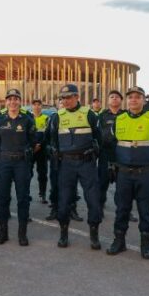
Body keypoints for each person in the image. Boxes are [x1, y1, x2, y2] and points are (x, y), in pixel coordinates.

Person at [106, 86, 149, 259]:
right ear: (127, 100)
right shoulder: (119, 119)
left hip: (146, 173)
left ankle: (145, 244)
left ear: (143, 100)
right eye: (130, 97)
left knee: (145, 210)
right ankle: (119, 241)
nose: (133, 100)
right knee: (122, 209)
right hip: (124, 173)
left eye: (137, 97)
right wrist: (113, 165)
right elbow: (110, 144)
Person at [48, 84, 103, 249]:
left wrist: (94, 153)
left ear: (77, 97)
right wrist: (55, 155)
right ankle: (63, 234)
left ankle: (94, 234)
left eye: (69, 97)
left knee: (93, 199)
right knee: (64, 200)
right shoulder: (57, 116)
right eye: (63, 98)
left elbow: (99, 138)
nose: (66, 100)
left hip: (86, 163)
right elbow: (52, 140)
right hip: (66, 165)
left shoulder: (89, 114)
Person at [0, 89, 36, 246]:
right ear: (6, 102)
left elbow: (33, 141)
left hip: (21, 163)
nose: (13, 102)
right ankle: (2, 233)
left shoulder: (27, 120)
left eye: (16, 99)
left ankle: (22, 234)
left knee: (23, 198)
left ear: (20, 101)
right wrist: (1, 157)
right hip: (4, 163)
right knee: (3, 197)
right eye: (10, 99)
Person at [97, 90, 125, 214]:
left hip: (121, 154)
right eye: (111, 96)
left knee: (123, 185)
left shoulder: (126, 115)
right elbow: (96, 133)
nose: (114, 98)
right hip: (105, 154)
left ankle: (123, 211)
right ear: (108, 100)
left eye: (117, 97)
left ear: (121, 100)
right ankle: (99, 208)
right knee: (102, 183)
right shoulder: (102, 116)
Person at [30, 98, 49, 203]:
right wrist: (33, 145)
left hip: (42, 150)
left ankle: (43, 194)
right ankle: (26, 193)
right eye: (35, 105)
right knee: (27, 173)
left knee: (42, 173)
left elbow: (47, 135)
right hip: (31, 150)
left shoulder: (46, 118)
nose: (37, 107)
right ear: (32, 106)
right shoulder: (28, 118)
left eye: (39, 104)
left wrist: (40, 145)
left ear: (41, 106)